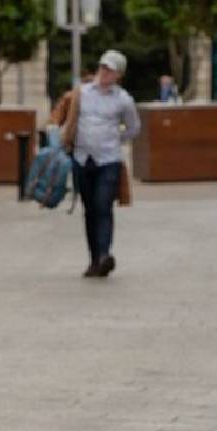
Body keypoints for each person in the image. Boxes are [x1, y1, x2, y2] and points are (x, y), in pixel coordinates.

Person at [58, 50, 140, 278]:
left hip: (108, 160)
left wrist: (115, 139)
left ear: (118, 75)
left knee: (103, 207)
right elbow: (64, 118)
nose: (105, 72)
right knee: (90, 210)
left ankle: (104, 254)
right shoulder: (81, 94)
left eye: (110, 70)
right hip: (82, 159)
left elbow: (134, 128)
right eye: (103, 67)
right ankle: (94, 260)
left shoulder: (123, 100)